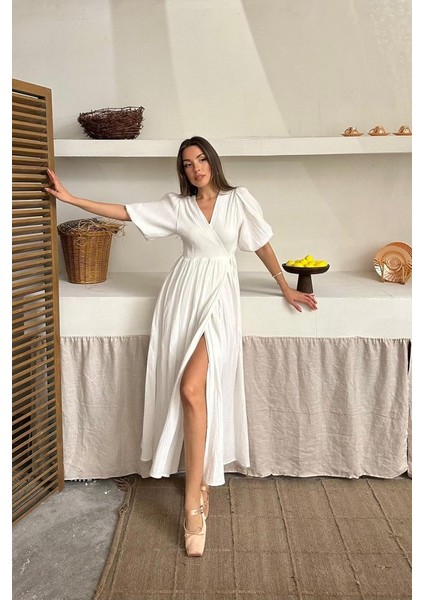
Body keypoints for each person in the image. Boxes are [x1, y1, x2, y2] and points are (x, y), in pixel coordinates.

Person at [45, 136, 317, 557]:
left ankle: (192, 502)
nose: (196, 168)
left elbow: (261, 243)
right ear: (182, 171)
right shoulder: (177, 206)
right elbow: (127, 212)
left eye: (201, 159)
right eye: (188, 163)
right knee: (192, 394)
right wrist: (71, 198)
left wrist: (285, 286)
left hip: (220, 295)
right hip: (182, 296)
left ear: (213, 161)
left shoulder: (239, 199)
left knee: (193, 389)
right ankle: (200, 486)